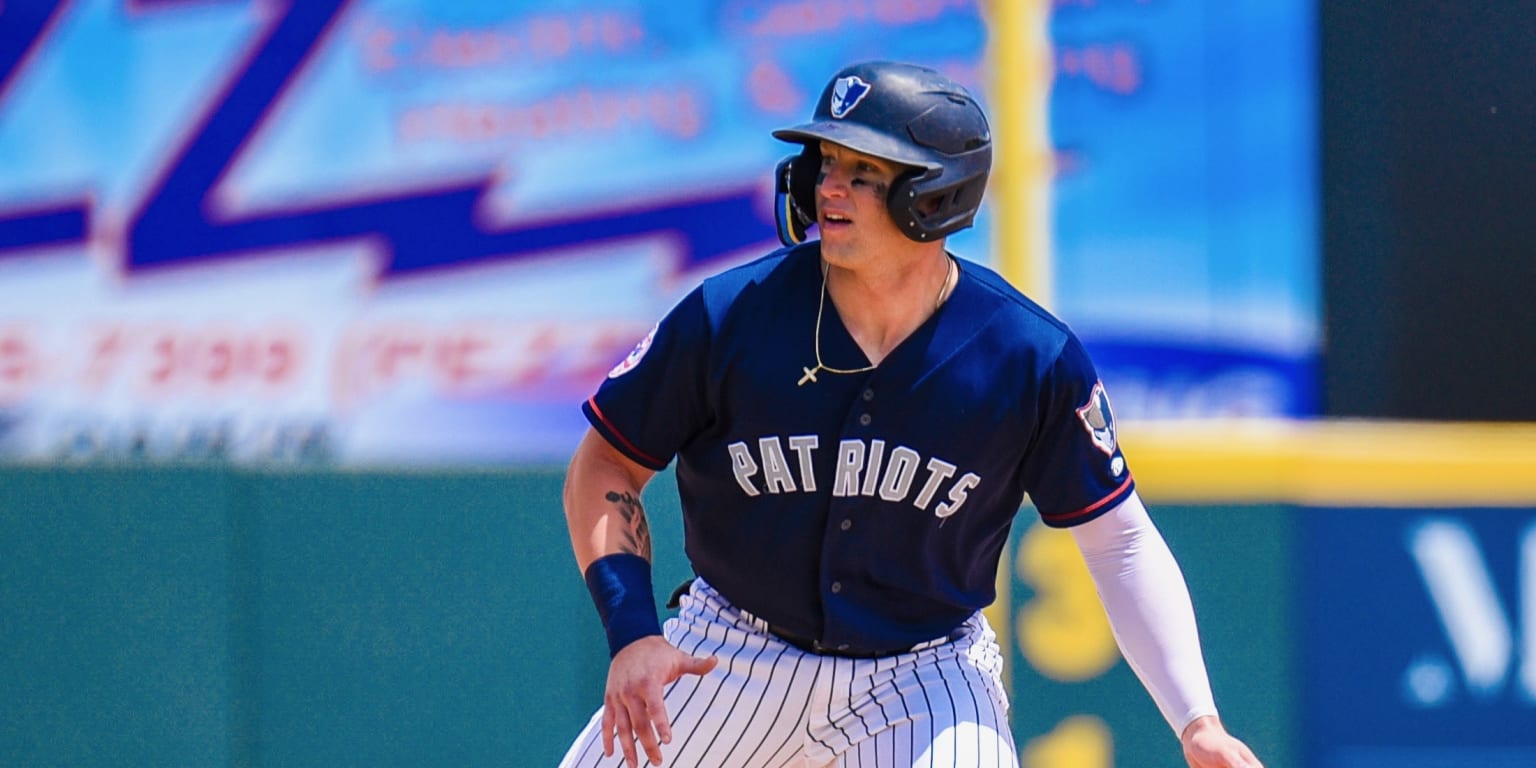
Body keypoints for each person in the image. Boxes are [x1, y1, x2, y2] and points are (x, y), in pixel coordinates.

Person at [558, 60, 1264, 768]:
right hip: (728, 647)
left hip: (922, 675)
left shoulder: (1025, 356)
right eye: (825, 161)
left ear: (936, 196)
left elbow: (1120, 543)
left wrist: (1196, 721)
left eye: (864, 171)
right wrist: (634, 633)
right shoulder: (730, 315)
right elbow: (607, 462)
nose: (829, 187)